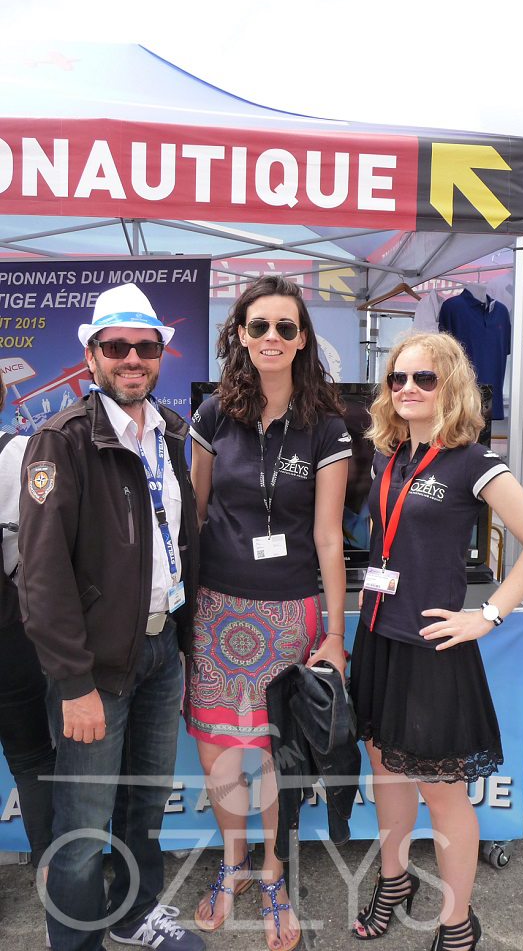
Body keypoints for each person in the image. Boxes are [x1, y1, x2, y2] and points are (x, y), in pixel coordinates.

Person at [349, 331, 523, 951]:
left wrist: (487, 615)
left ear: (451, 386)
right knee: (385, 775)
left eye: (424, 378)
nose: (407, 389)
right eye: (398, 378)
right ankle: (394, 882)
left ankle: (456, 918)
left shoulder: (471, 460)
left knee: (442, 796)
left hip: (433, 649)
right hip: (379, 637)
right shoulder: (389, 454)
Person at [18, 284, 203, 951]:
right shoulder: (61, 440)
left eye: (144, 347)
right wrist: (73, 682)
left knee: (144, 804)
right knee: (83, 822)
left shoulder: (171, 433)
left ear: (160, 355)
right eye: (116, 346)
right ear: (92, 356)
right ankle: (72, 939)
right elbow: (42, 577)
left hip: (160, 650)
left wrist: (181, 646)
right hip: (94, 665)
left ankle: (133, 914)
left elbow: (180, 545)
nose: (132, 358)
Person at [184, 275, 352, 951]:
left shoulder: (328, 427)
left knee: (276, 754)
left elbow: (330, 537)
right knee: (220, 751)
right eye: (259, 326)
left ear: (303, 338)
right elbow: (195, 516)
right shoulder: (211, 417)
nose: (272, 337)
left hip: (291, 615)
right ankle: (234, 865)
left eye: (286, 327)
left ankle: (275, 871)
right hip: (217, 612)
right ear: (241, 335)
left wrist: (336, 633)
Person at [0, 371, 55, 901]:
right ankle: (56, 899)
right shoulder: (20, 455)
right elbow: (37, 557)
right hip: (10, 639)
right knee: (34, 760)